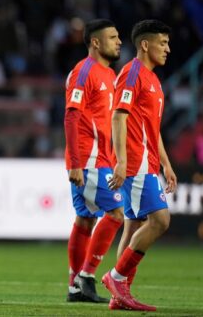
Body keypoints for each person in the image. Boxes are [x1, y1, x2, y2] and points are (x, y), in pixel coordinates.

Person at [101, 20, 177, 311]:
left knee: (133, 226)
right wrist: (120, 161)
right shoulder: (132, 74)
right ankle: (117, 277)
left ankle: (119, 294)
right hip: (134, 162)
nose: (168, 49)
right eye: (163, 43)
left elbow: (152, 128)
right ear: (145, 44)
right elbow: (118, 116)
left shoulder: (153, 79)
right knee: (160, 220)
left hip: (148, 162)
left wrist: (166, 165)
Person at [62, 19, 124, 304]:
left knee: (85, 220)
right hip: (88, 160)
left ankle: (75, 286)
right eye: (113, 37)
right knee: (115, 214)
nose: (119, 41)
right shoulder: (84, 72)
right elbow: (72, 115)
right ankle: (86, 276)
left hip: (101, 159)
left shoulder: (110, 74)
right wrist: (75, 162)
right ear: (96, 42)